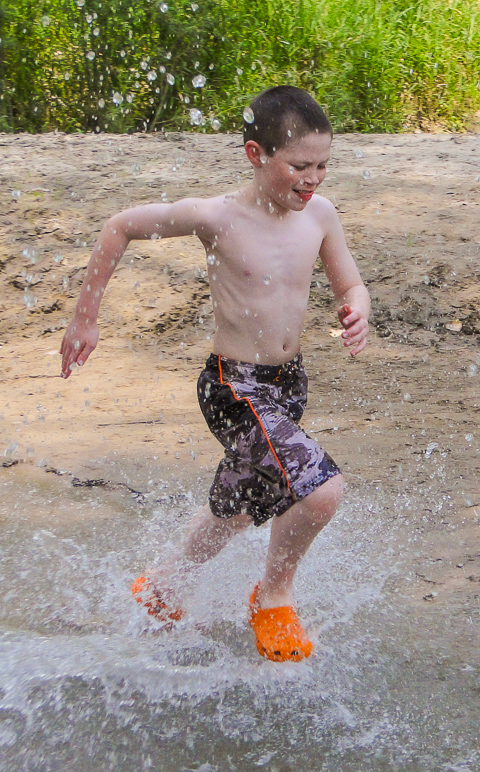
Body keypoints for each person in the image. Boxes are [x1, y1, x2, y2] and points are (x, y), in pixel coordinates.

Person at [59, 86, 370, 663]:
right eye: (299, 166)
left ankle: (165, 584)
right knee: (321, 492)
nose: (314, 179)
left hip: (286, 385)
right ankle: (272, 597)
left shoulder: (322, 217)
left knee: (245, 499)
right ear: (256, 154)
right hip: (234, 385)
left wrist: (358, 307)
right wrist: (85, 320)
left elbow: (350, 282)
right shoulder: (218, 216)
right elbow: (120, 225)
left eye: (323, 165)